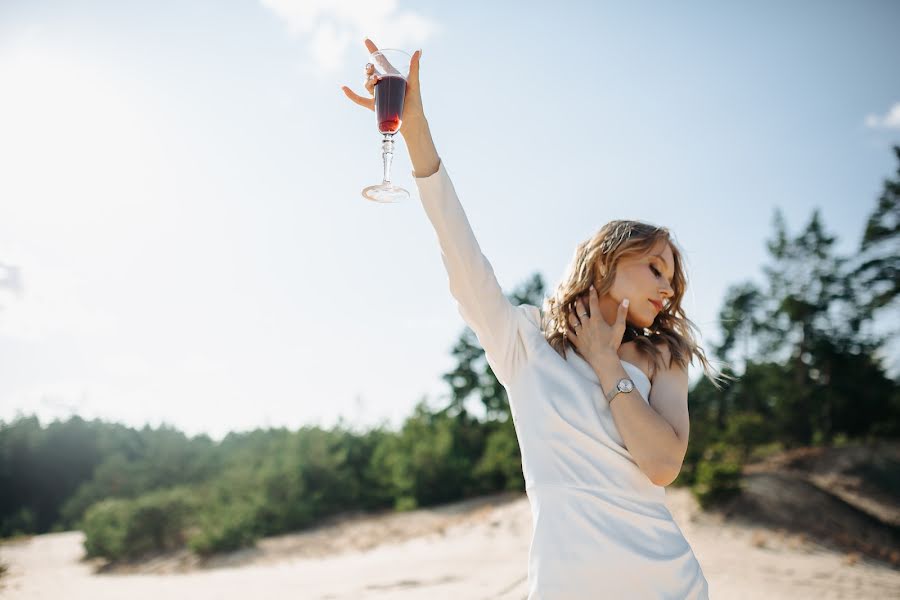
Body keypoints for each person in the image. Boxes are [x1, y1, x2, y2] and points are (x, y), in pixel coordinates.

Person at [343, 38, 728, 600]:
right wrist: (416, 132)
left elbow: (663, 464)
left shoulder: (663, 356)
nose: (668, 287)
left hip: (671, 588)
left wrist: (604, 361)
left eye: (673, 278)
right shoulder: (522, 343)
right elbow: (460, 249)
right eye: (654, 267)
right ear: (607, 261)